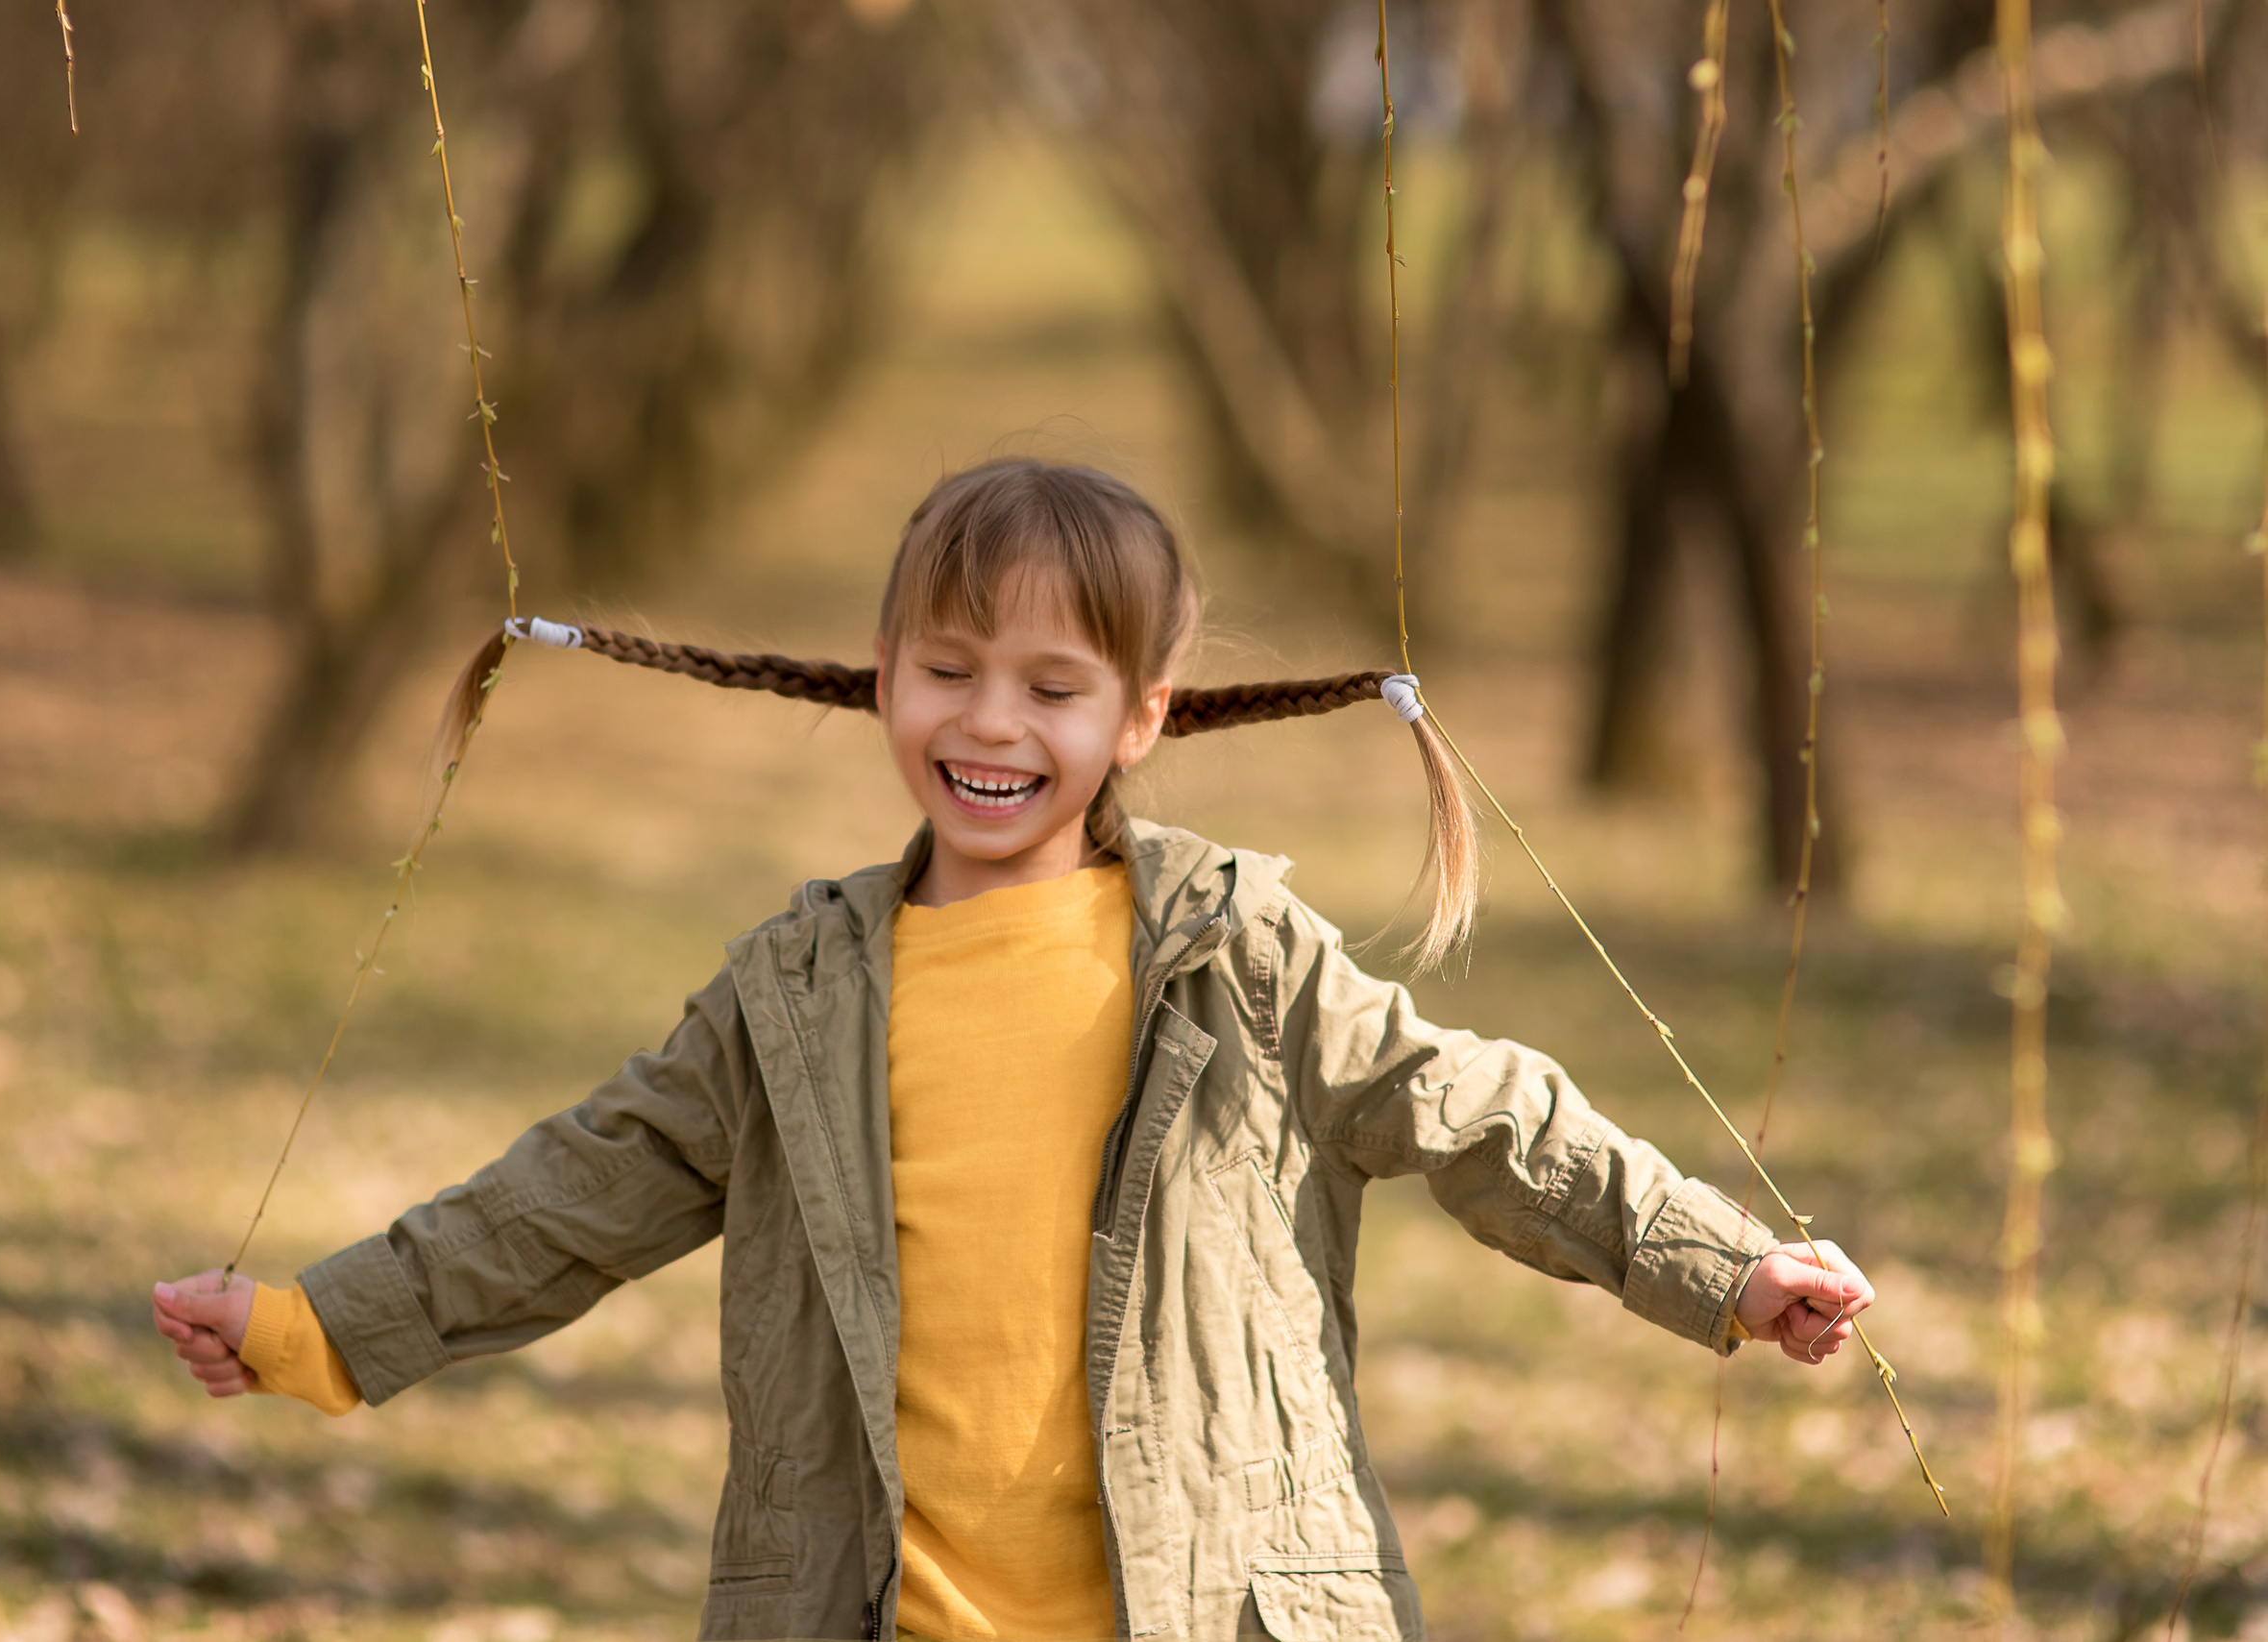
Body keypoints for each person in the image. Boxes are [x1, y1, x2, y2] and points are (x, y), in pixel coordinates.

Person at [153, 459, 1874, 1642]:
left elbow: (1479, 1111)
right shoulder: (794, 992)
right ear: (880, 678)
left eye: (1053, 688)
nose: (990, 722)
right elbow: (577, 1189)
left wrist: (1717, 1263)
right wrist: (320, 1327)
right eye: (949, 668)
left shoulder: (1238, 959)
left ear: (1142, 718)